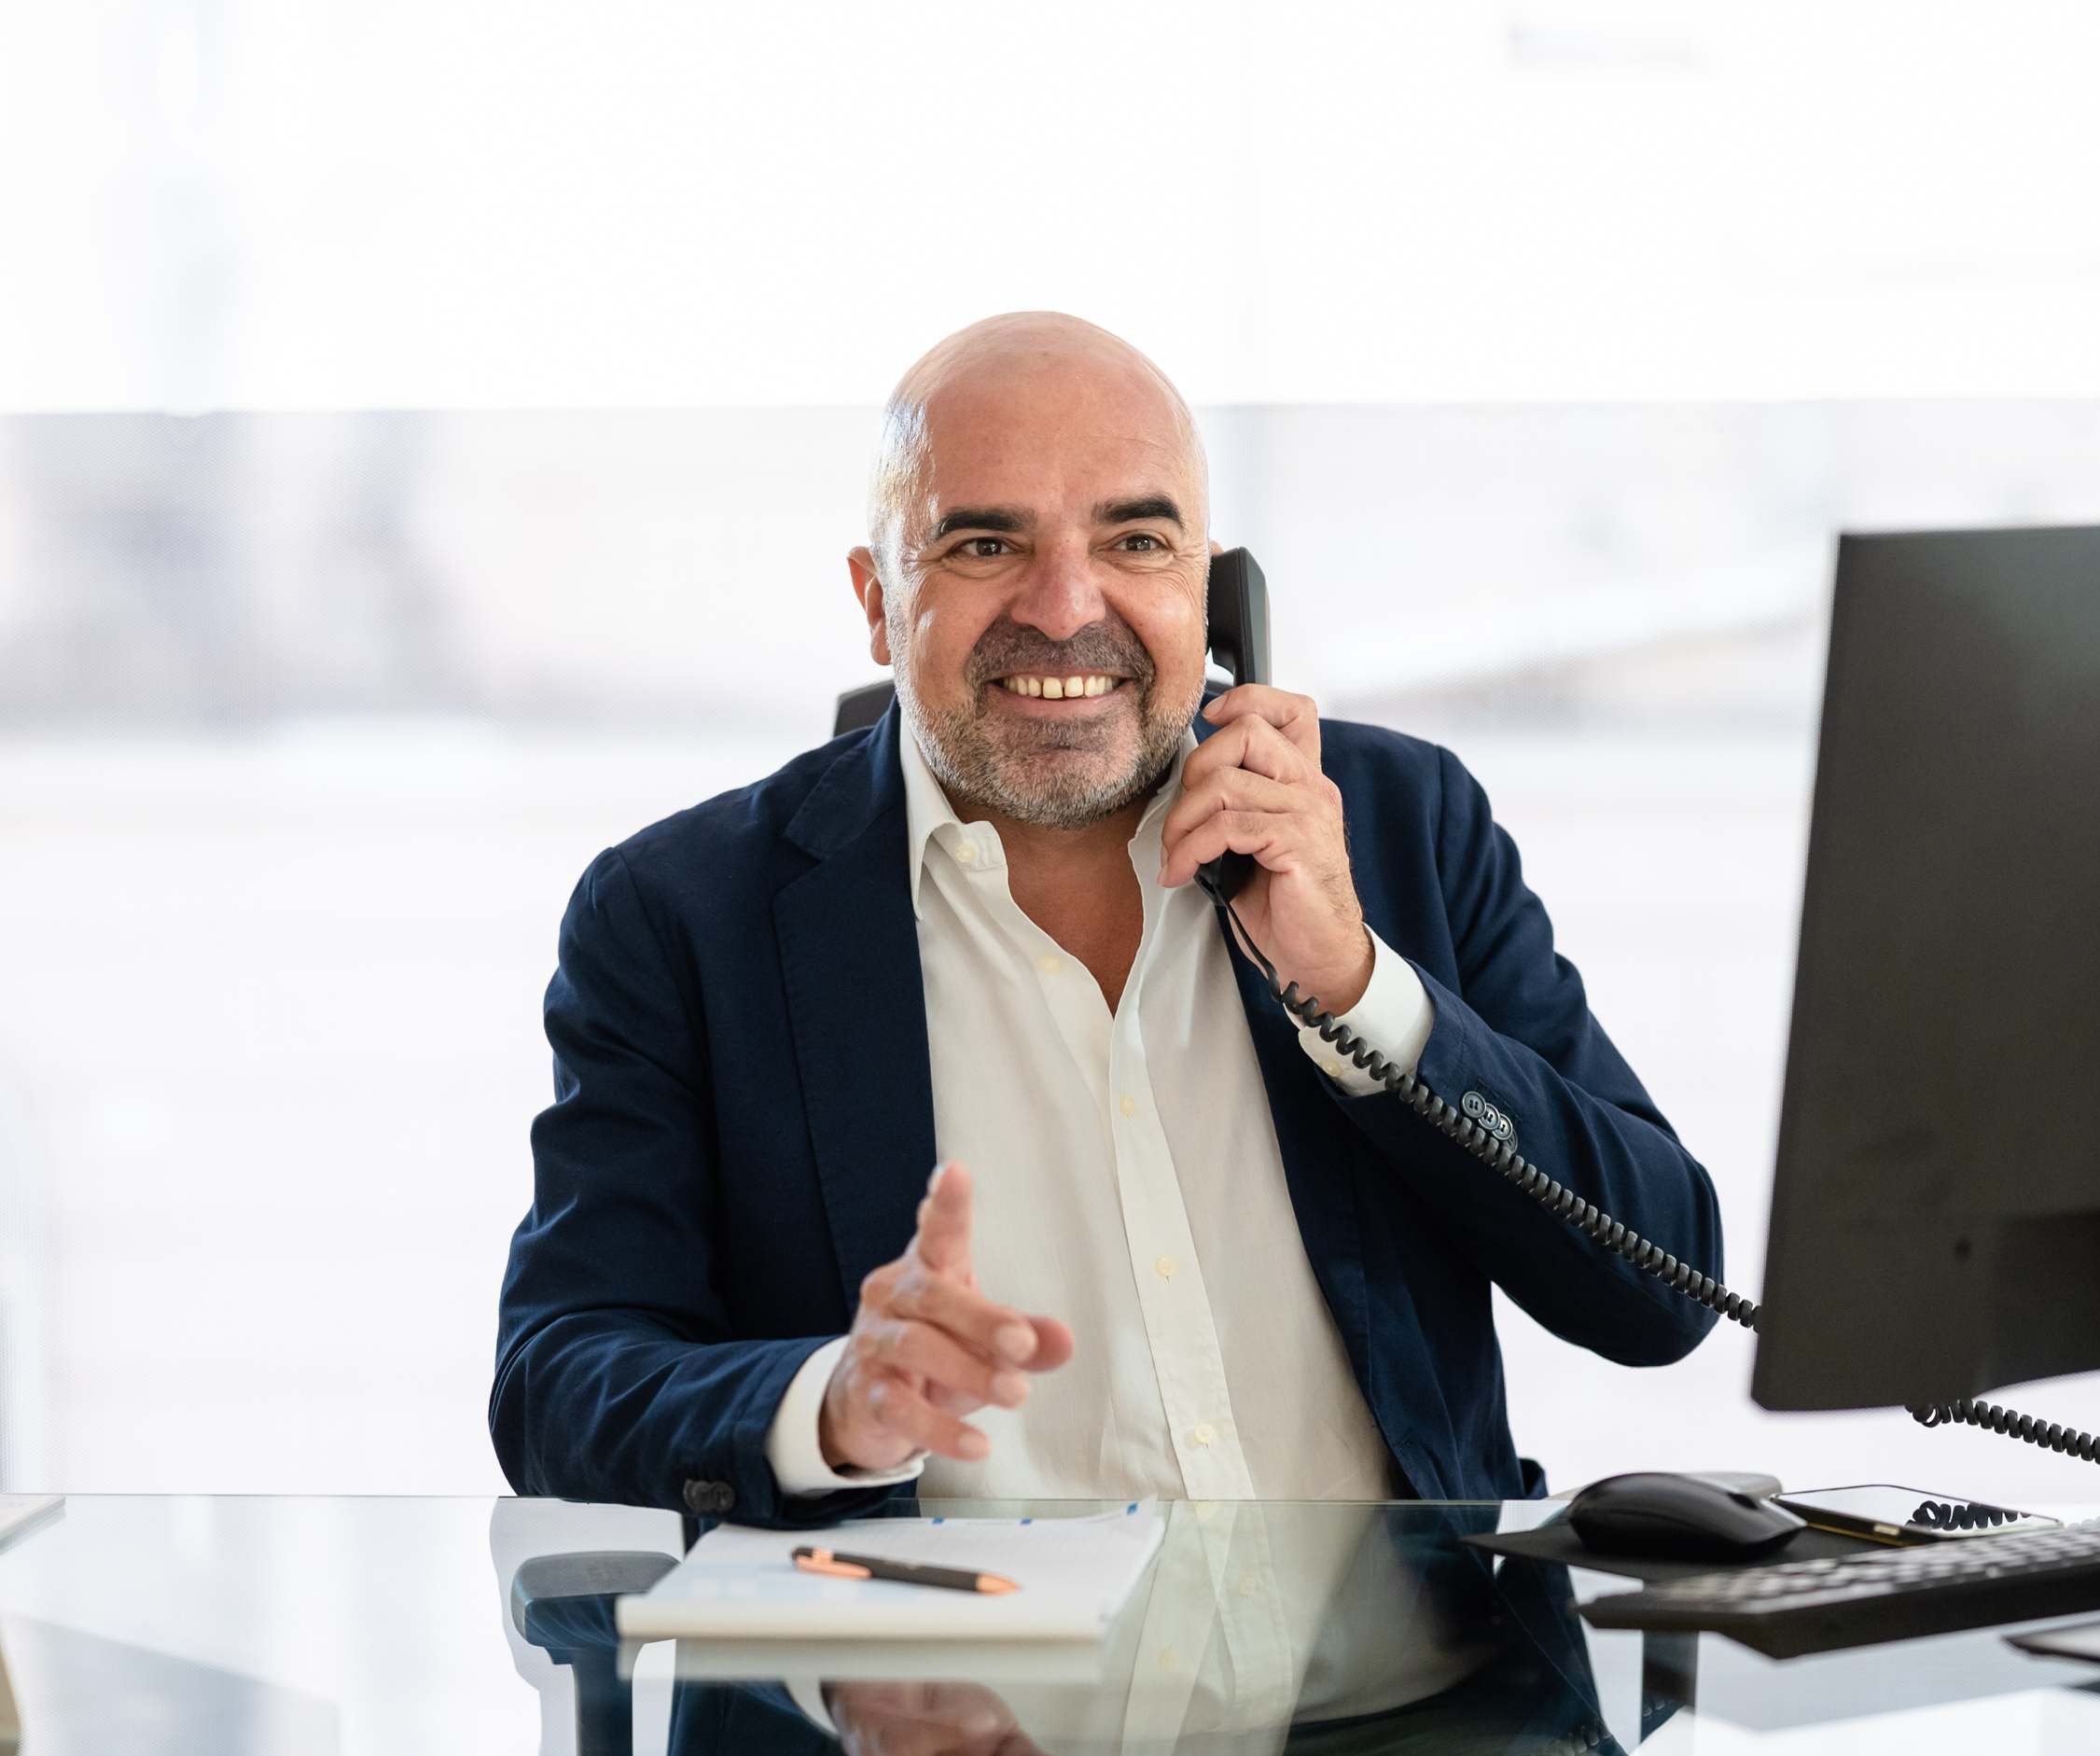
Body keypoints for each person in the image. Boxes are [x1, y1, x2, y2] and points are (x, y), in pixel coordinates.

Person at [492, 313, 1723, 1525]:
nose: (1065, 605)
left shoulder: (1400, 825)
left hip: (1409, 1655)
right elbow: (557, 1377)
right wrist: (826, 1405)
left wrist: (1360, 989)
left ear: (1210, 588)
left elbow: (1661, 1289)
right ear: (877, 600)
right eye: (985, 543)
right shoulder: (680, 917)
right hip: (949, 1659)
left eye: (1136, 540)